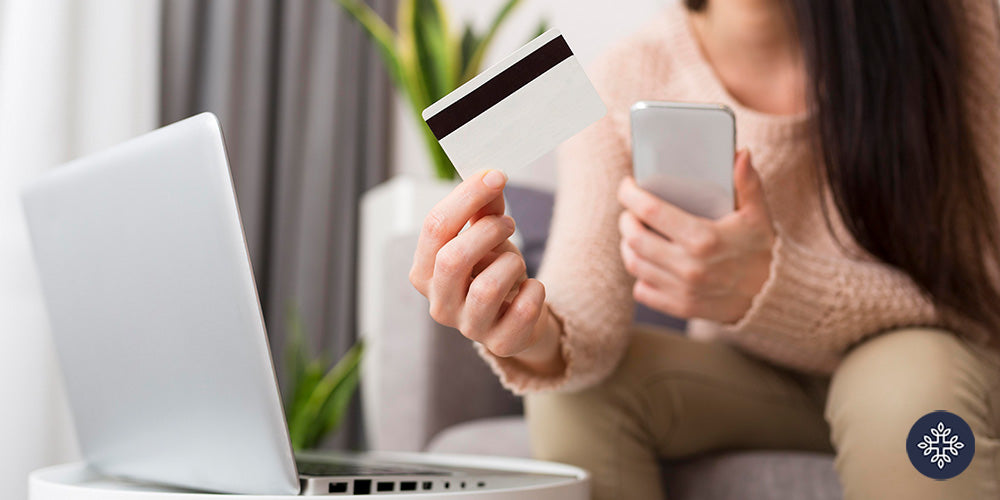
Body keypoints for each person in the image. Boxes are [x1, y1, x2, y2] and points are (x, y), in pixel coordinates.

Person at [408, 0, 1000, 498]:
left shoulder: (960, 26)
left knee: (909, 392)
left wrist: (774, 286)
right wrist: (523, 329)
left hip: (934, 367)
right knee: (576, 397)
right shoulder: (628, 73)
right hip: (757, 382)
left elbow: (985, 292)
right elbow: (585, 324)